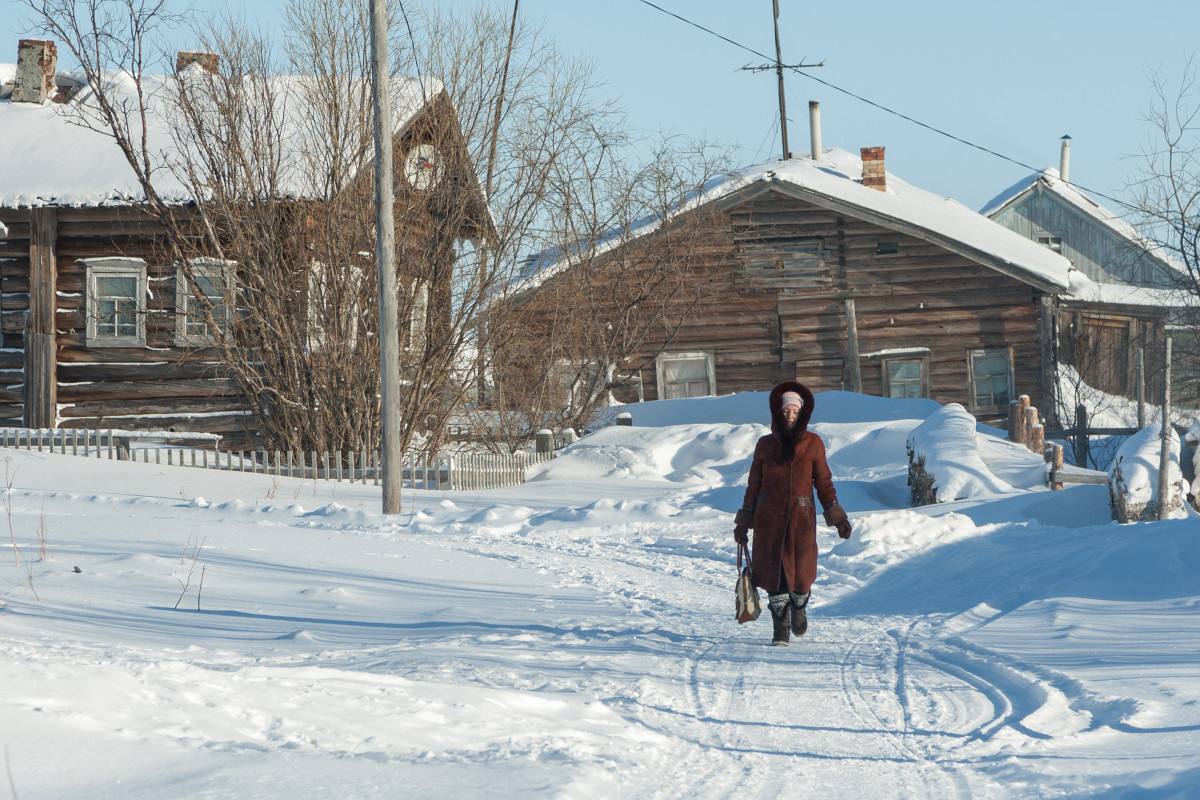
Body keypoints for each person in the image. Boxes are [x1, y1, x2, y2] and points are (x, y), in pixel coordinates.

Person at [734, 381, 851, 646]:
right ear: (777, 411)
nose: (790, 415)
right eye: (786, 410)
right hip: (769, 521)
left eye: (795, 411)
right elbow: (754, 484)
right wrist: (745, 520)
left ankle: (799, 607)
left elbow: (823, 482)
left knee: (801, 576)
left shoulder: (813, 444)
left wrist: (838, 517)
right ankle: (780, 628)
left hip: (801, 521)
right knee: (776, 576)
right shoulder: (765, 445)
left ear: (802, 413)